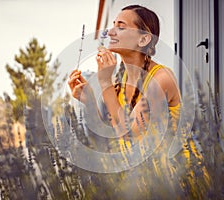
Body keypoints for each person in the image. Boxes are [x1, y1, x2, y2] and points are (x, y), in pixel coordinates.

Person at [68, 5, 180, 139]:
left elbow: (129, 134)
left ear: (143, 39)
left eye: (121, 27)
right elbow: (113, 135)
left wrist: (105, 82)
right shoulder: (120, 80)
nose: (110, 32)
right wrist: (90, 101)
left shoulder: (162, 79)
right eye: (113, 25)